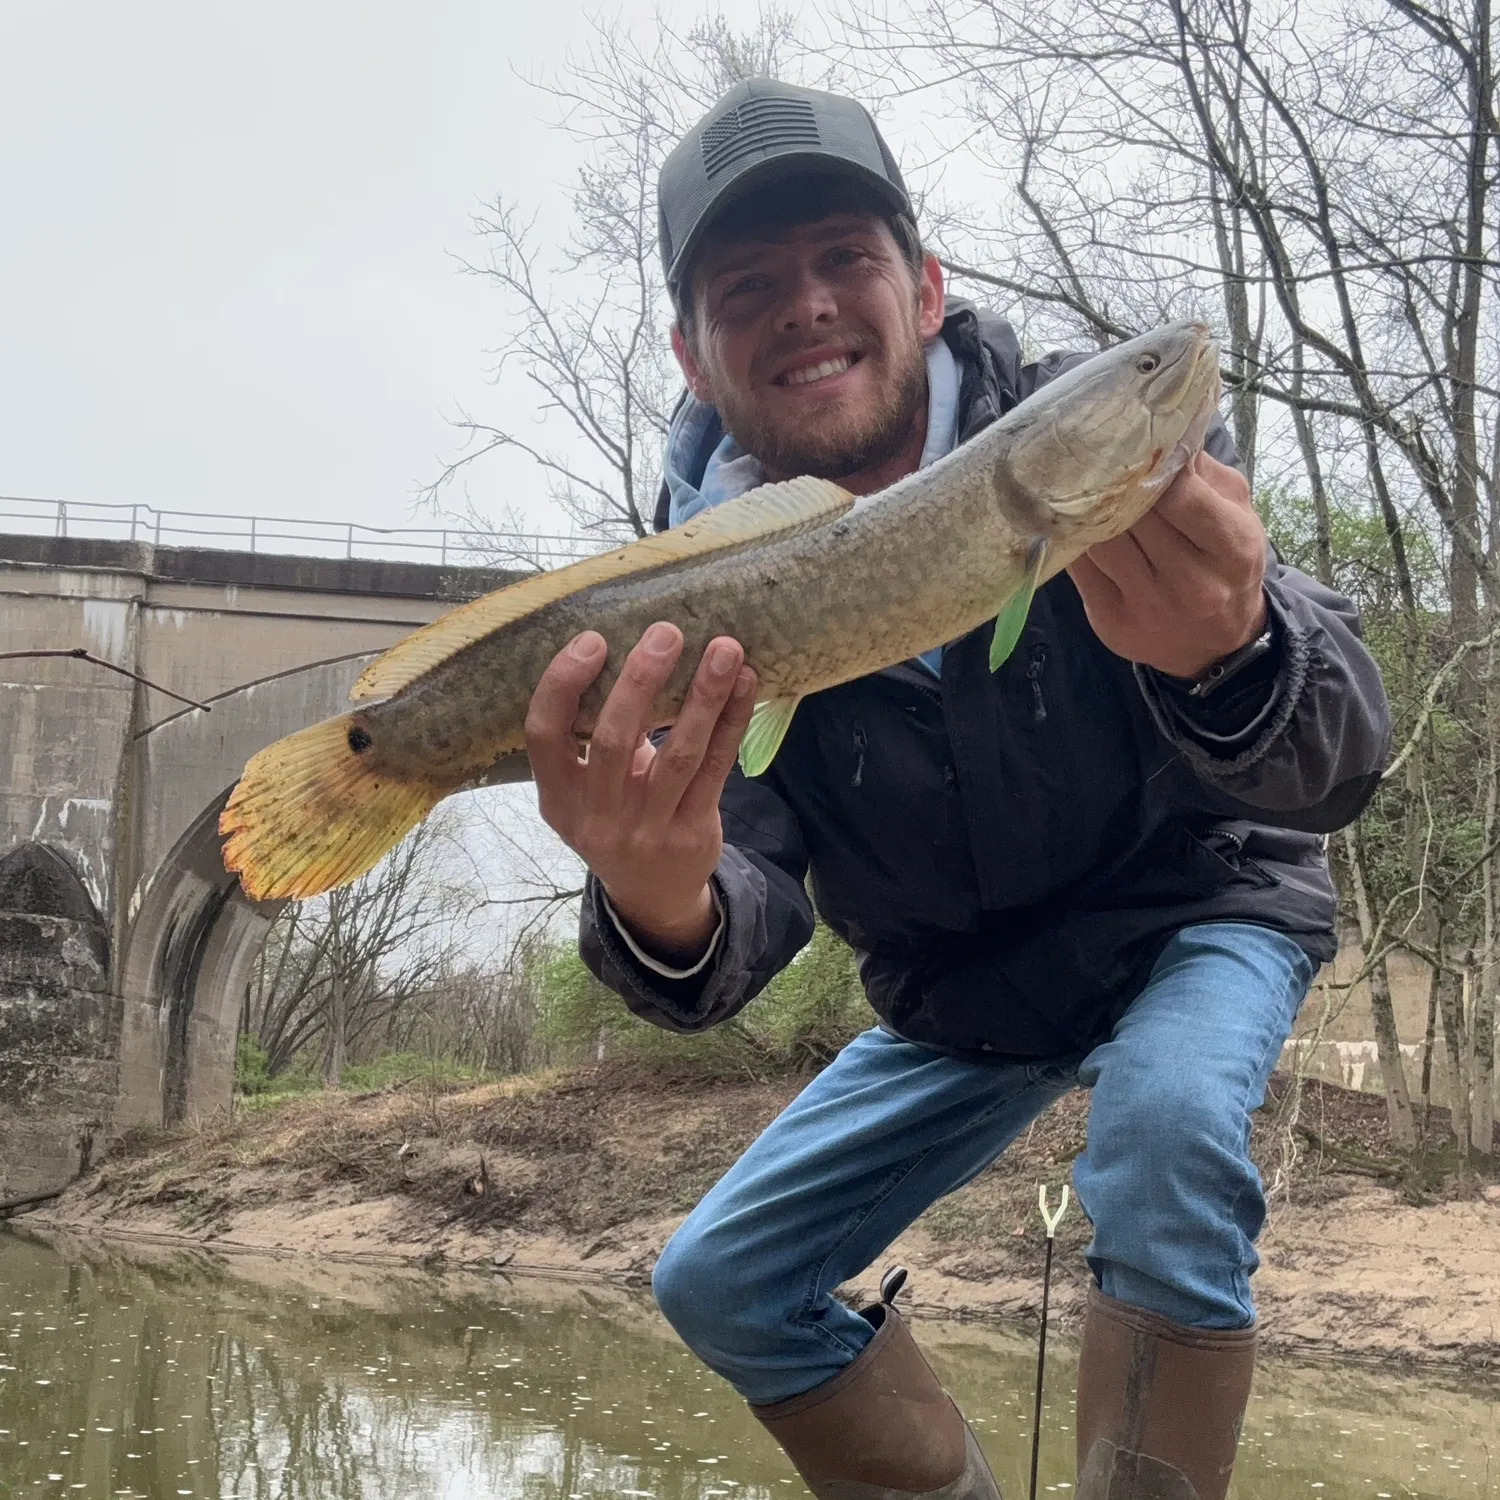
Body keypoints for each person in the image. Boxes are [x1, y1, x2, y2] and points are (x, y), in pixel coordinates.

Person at [522, 79, 1391, 1500]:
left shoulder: (1107, 441)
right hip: (965, 996)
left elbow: (1343, 755)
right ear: (691, 354)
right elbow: (733, 911)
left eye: (843, 261)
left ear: (924, 290)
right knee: (718, 1278)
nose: (804, 305)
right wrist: (657, 895)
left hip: (1196, 912)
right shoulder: (692, 603)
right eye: (749, 285)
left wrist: (1231, 661)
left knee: (1168, 1135)